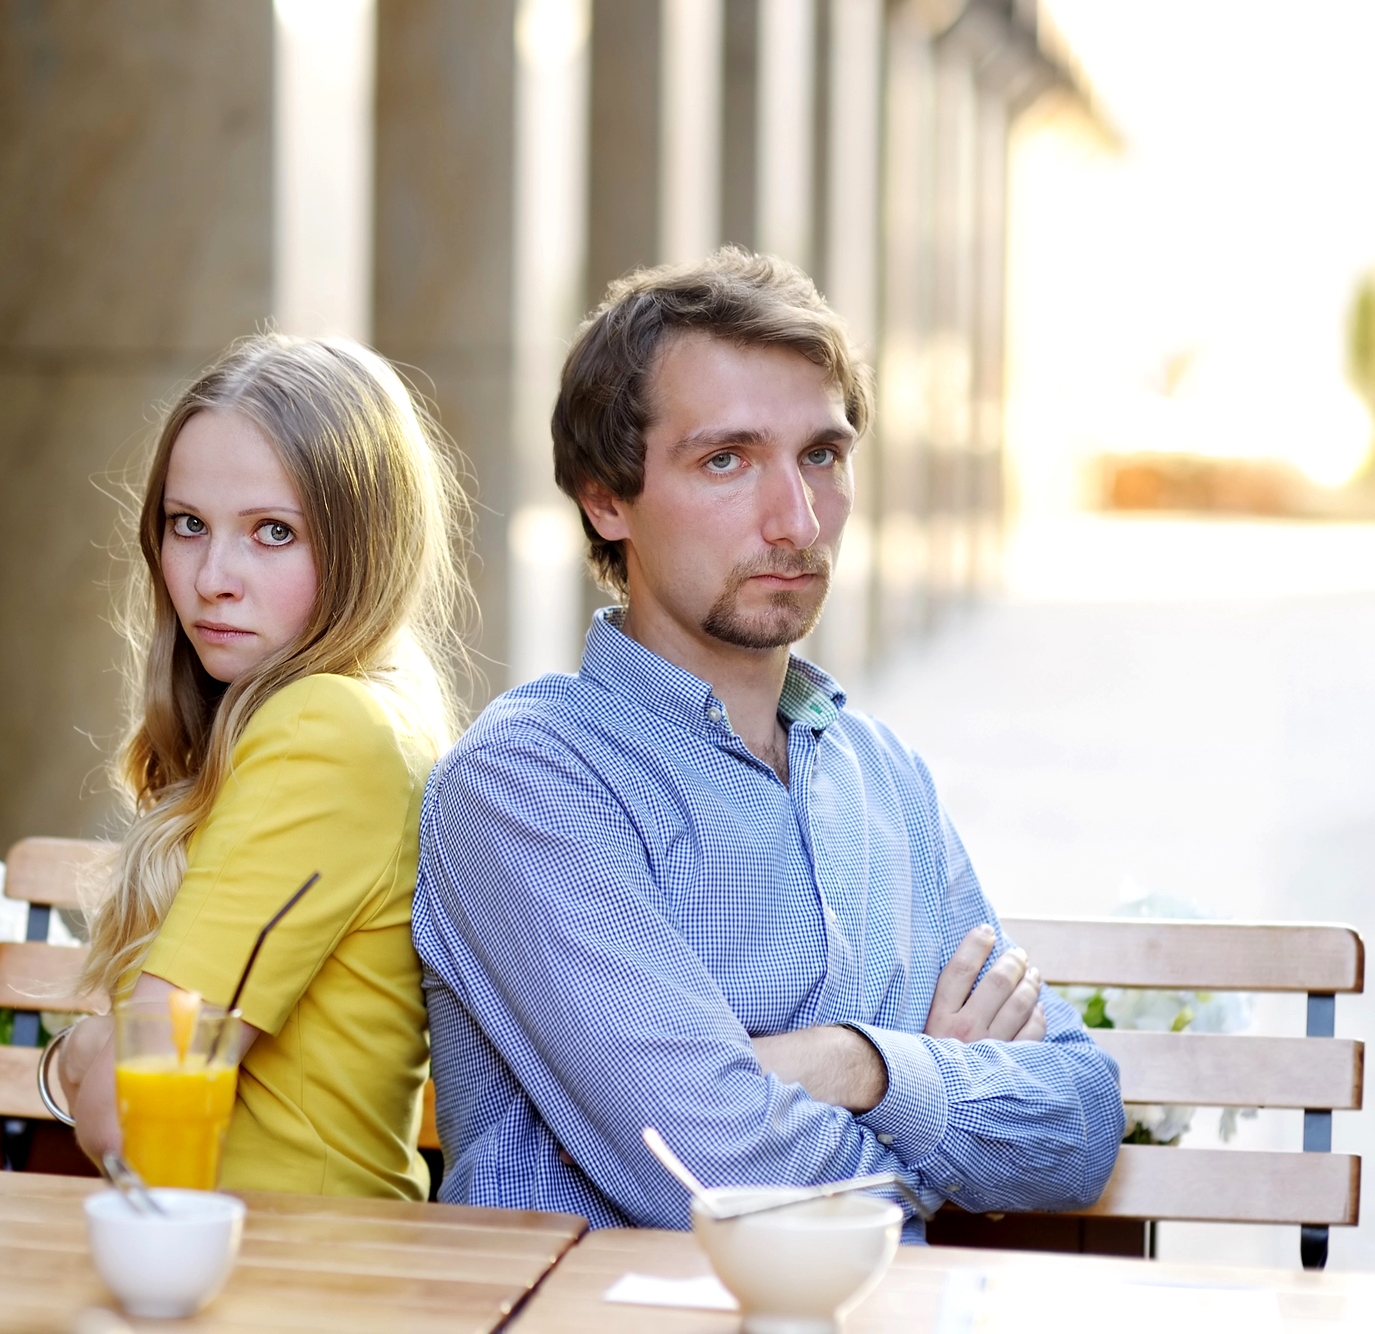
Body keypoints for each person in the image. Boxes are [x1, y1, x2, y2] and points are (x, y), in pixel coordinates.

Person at [412, 250, 1124, 1236]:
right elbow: (713, 1168)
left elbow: (1080, 1121)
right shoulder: (528, 780)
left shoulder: (882, 777)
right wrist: (942, 1119)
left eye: (820, 456)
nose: (794, 520)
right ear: (604, 498)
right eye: (724, 460)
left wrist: (855, 1062)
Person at [47, 333, 470, 1201]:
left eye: (273, 533)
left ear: (365, 546)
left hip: (283, 1269)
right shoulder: (371, 706)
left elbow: (127, 1108)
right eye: (186, 525)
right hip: (216, 1242)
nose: (211, 578)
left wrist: (86, 1050)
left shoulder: (327, 729)